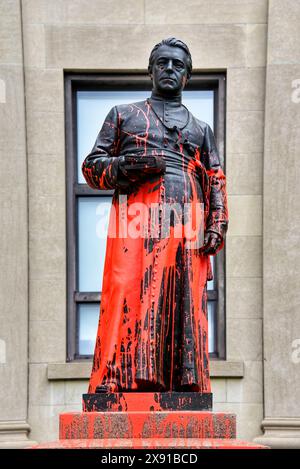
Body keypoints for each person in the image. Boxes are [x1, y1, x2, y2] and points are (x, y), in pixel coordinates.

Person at [82, 37, 228, 394]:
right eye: (162, 63)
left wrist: (217, 223)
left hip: (187, 222)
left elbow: (216, 180)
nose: (169, 70)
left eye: (178, 65)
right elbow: (91, 167)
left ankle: (184, 382)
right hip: (136, 220)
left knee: (184, 300)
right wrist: (128, 165)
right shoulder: (123, 114)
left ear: (187, 77)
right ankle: (118, 378)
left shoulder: (200, 130)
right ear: (150, 70)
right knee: (129, 292)